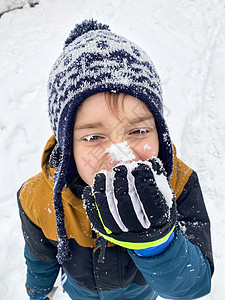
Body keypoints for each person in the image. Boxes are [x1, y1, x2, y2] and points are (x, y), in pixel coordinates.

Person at [17, 19, 214, 300]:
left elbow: (194, 286)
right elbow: (39, 256)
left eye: (138, 130)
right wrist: (38, 292)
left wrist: (158, 243)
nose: (122, 155)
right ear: (66, 143)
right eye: (93, 137)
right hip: (81, 292)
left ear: (159, 128)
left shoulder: (179, 185)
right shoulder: (36, 197)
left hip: (139, 293)